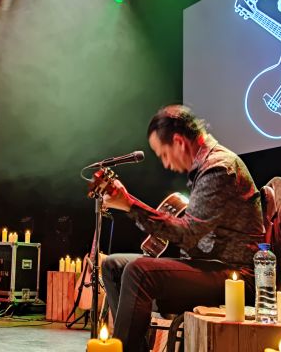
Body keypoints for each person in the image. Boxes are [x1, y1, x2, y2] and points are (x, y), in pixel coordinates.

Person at [100, 105, 264, 351]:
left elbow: (186, 235)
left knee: (139, 271)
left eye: (164, 154)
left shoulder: (219, 167)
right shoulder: (207, 167)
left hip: (235, 277)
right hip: (212, 268)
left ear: (179, 142)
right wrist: (129, 204)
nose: (166, 164)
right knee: (113, 266)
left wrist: (129, 205)